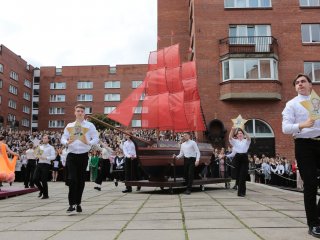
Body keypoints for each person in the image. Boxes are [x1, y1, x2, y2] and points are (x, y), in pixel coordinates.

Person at [282, 73, 320, 238]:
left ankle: (317, 216)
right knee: (310, 184)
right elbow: (285, 128)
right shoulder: (292, 104)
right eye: (297, 83)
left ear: (311, 85)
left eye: (303, 81)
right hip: (304, 145)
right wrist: (301, 125)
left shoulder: (317, 102)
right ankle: (313, 224)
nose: (300, 84)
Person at [61, 104, 99, 214]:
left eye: (82, 111)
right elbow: (63, 137)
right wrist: (66, 142)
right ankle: (71, 204)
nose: (80, 113)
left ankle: (78, 203)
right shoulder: (70, 125)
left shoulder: (89, 125)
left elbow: (96, 137)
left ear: (84, 113)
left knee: (81, 180)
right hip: (71, 155)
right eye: (78, 111)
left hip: (83, 155)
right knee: (72, 179)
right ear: (75, 112)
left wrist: (89, 142)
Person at [228, 127, 251, 197]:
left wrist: (243, 130)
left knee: (243, 175)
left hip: (244, 158)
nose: (240, 134)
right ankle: (240, 191)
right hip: (237, 158)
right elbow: (230, 138)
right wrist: (232, 130)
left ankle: (241, 192)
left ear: (243, 134)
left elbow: (249, 138)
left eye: (241, 133)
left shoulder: (246, 140)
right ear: (237, 135)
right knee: (238, 175)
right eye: (238, 133)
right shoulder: (235, 141)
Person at [33, 135, 55, 199]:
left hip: (46, 164)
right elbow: (36, 156)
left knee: (43, 180)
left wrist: (46, 158)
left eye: (45, 138)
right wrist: (36, 155)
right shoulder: (40, 147)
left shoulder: (51, 147)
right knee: (34, 179)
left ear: (48, 140)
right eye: (43, 138)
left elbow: (53, 157)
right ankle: (42, 190)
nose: (44, 139)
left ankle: (46, 195)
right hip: (39, 164)